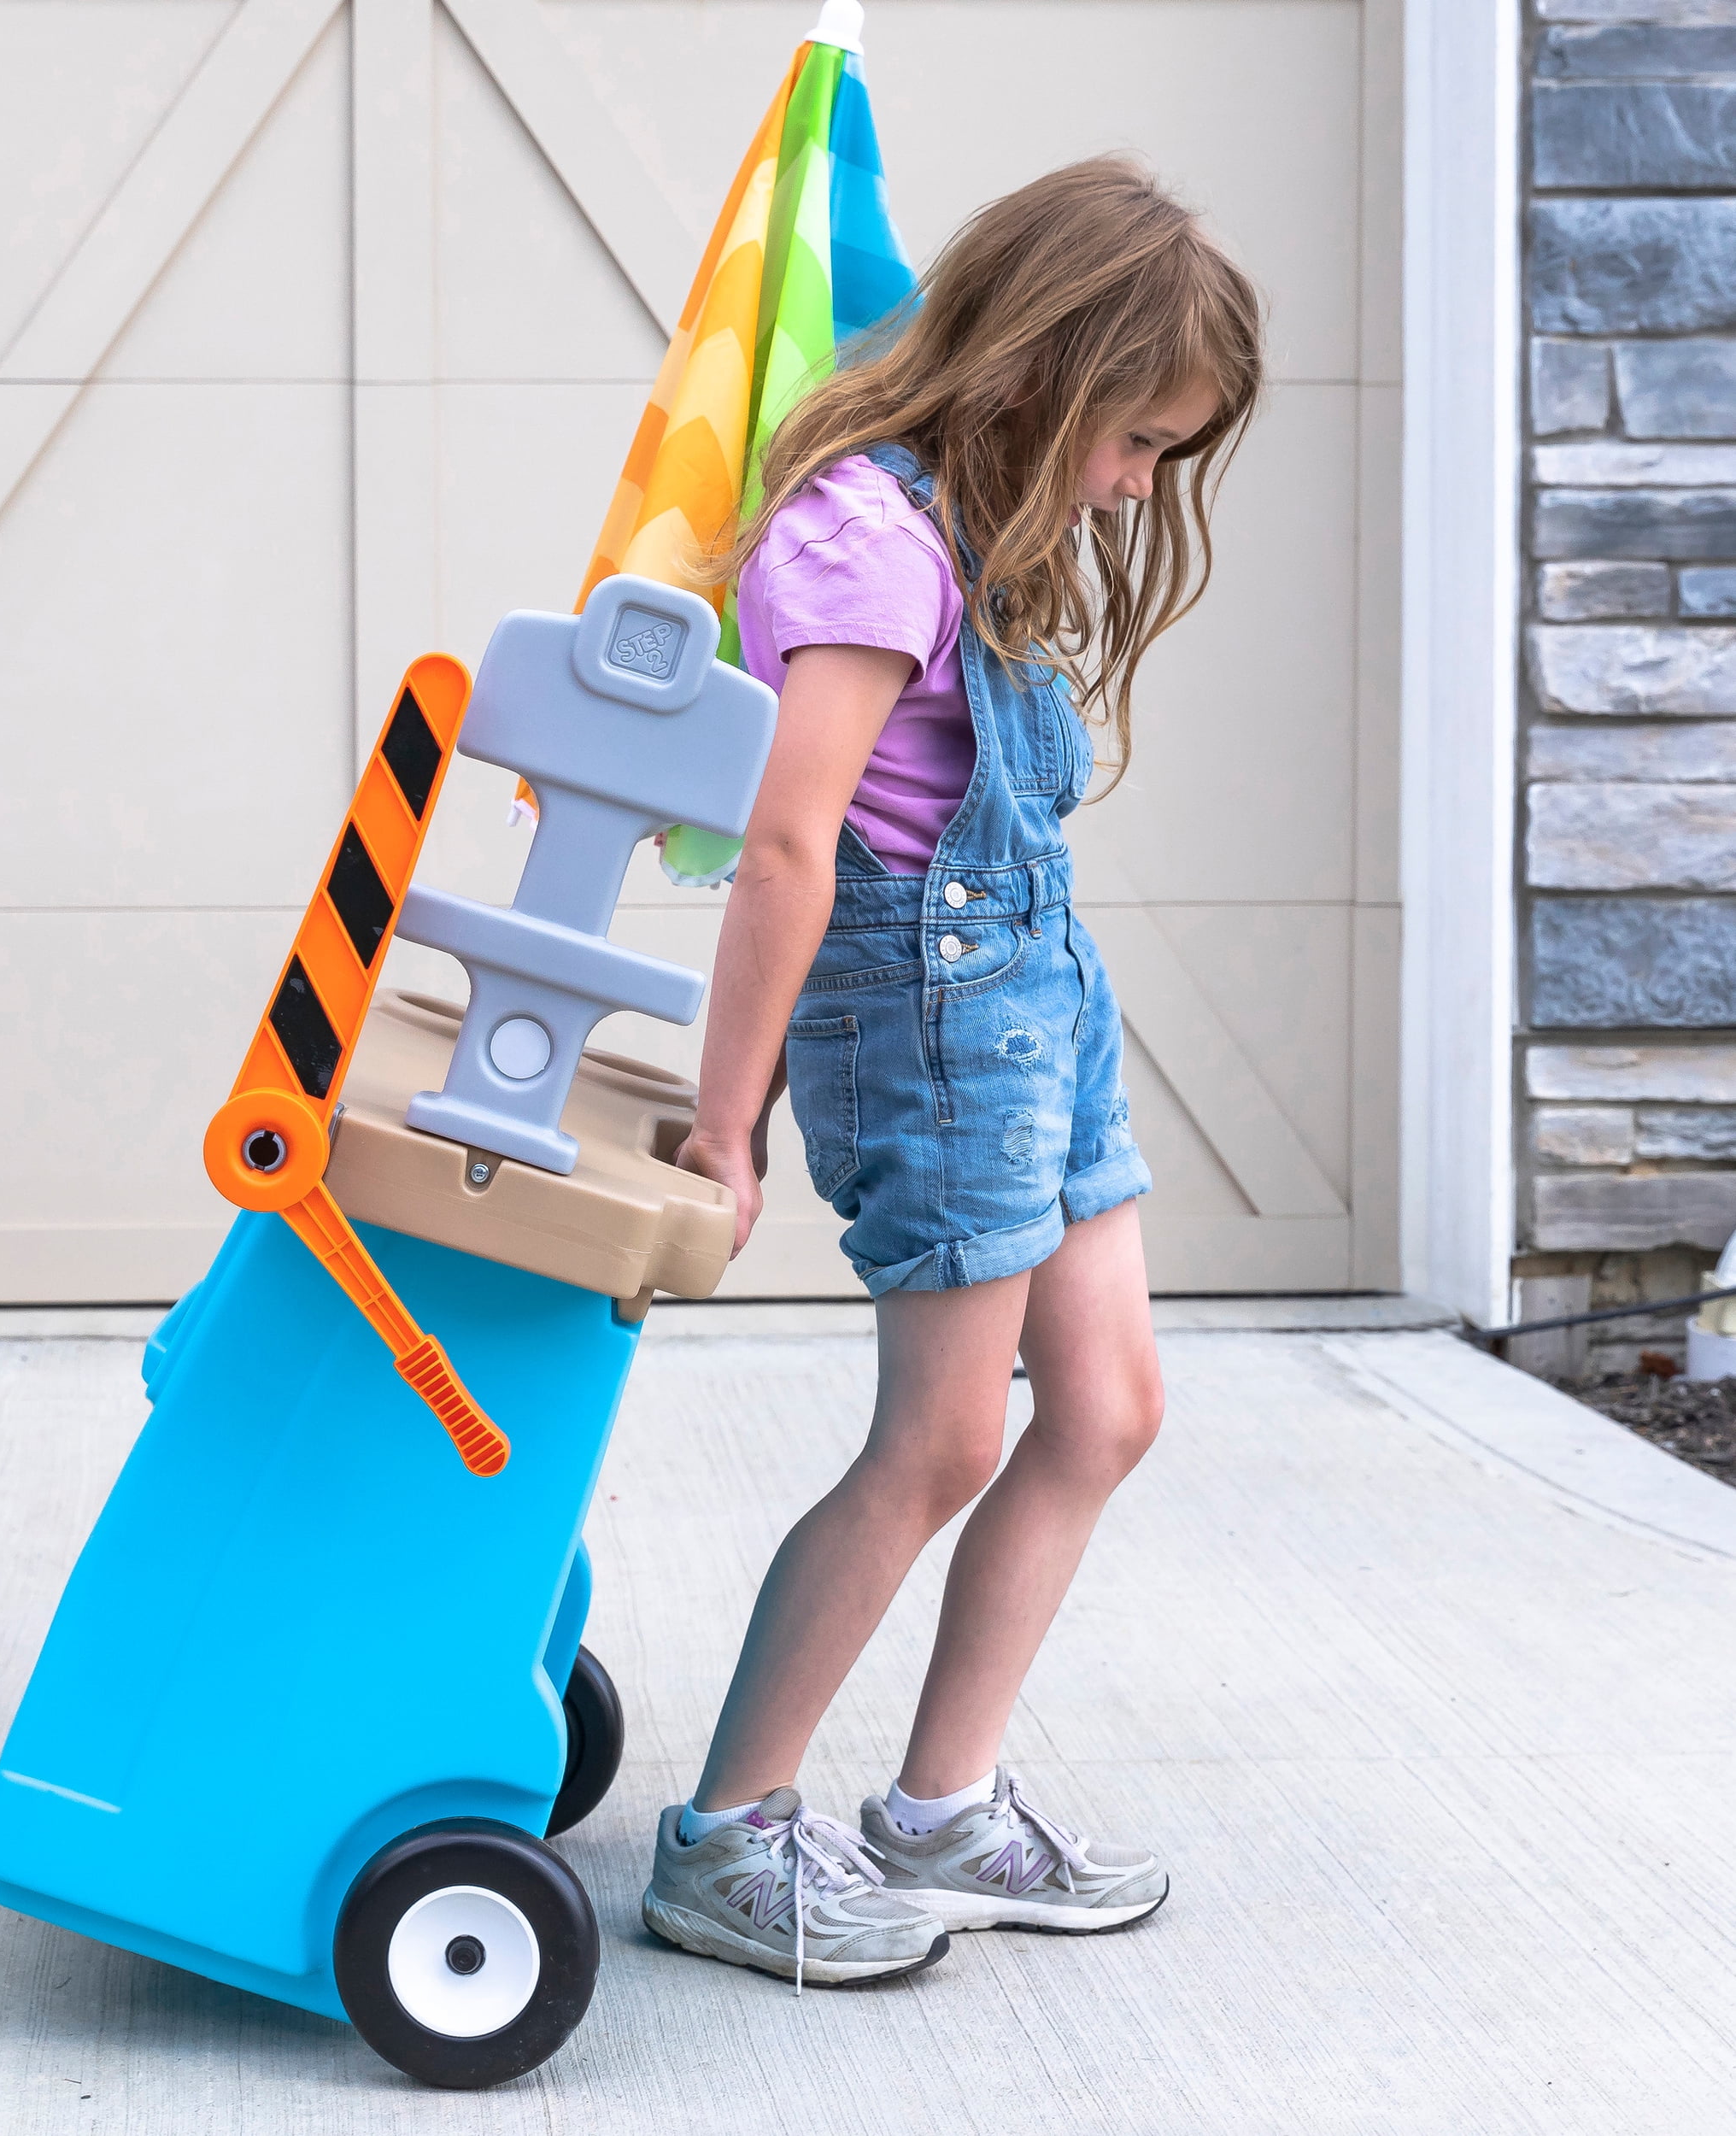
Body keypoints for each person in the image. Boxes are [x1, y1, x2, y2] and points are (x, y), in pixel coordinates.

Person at [641, 159, 1264, 1989]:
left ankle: (940, 1809)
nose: (1136, 484)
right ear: (1038, 370)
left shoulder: (970, 518)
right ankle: (727, 1836)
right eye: (1135, 440)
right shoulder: (862, 537)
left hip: (1038, 1001)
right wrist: (728, 1121)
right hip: (923, 1022)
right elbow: (787, 849)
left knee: (1105, 1406)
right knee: (939, 1440)